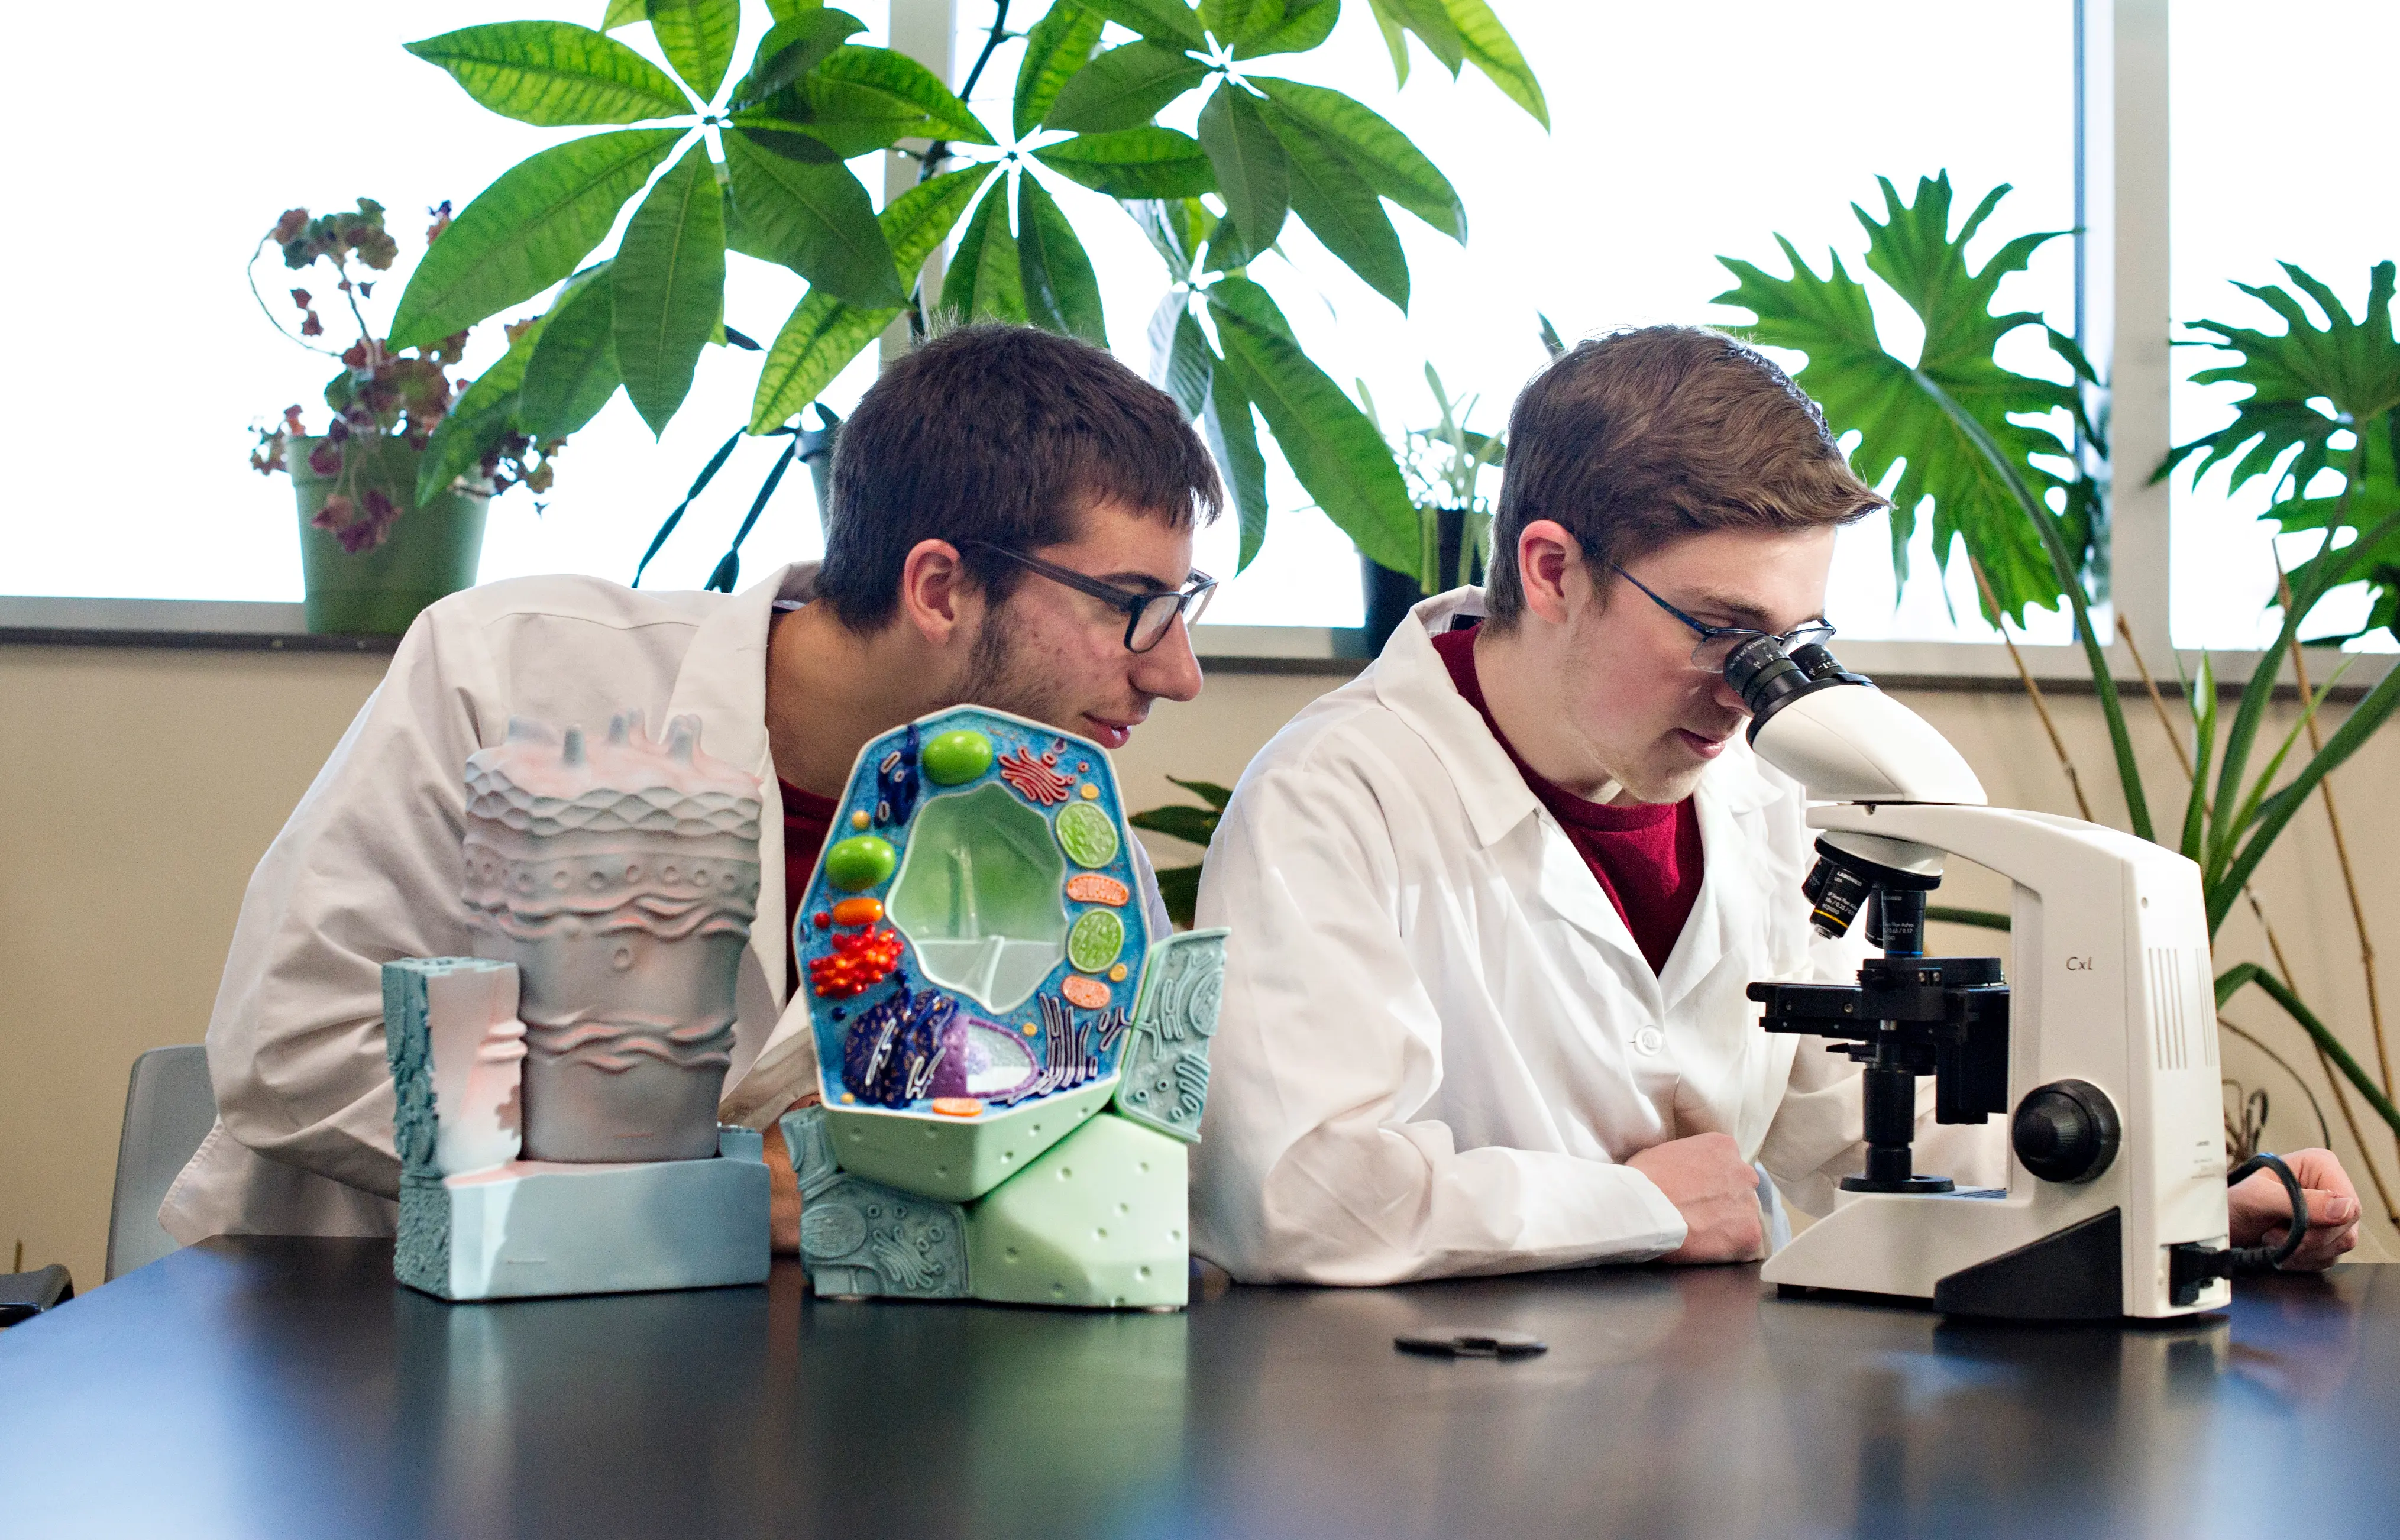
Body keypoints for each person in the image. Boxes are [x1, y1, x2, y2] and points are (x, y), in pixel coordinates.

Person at [1190, 325, 2360, 1284]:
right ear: (1552, 570)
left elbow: (1853, 1118)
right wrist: (1633, 1207)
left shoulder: (1762, 795)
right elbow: (1291, 1196)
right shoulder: (1335, 797)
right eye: (1718, 631)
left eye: (1793, 642)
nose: (1749, 696)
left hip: (1706, 1415)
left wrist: (2176, 1193)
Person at [163, 323, 1222, 1248]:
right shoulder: (510, 671)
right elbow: (298, 1043)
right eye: (1131, 604)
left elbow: (1113, 1130)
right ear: (940, 589)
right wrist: (705, 1186)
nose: (1176, 671)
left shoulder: (1053, 809)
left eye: (1184, 606)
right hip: (350, 1349)